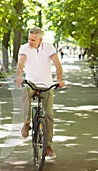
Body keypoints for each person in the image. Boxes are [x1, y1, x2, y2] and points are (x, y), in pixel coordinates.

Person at [15, 27, 65, 158]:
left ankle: (48, 146)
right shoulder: (24, 48)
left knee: (49, 115)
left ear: (40, 40)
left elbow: (57, 65)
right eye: (29, 39)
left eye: (33, 40)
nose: (30, 42)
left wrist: (59, 80)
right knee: (24, 91)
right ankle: (26, 123)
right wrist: (19, 76)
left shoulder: (49, 48)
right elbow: (20, 64)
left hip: (47, 86)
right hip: (31, 84)